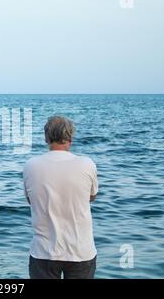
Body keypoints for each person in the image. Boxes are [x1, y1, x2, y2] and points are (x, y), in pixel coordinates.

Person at [23, 116, 98, 279]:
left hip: (43, 252)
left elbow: (31, 201)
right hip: (80, 251)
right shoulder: (87, 164)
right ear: (70, 136)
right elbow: (91, 197)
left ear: (46, 138)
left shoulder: (31, 165)